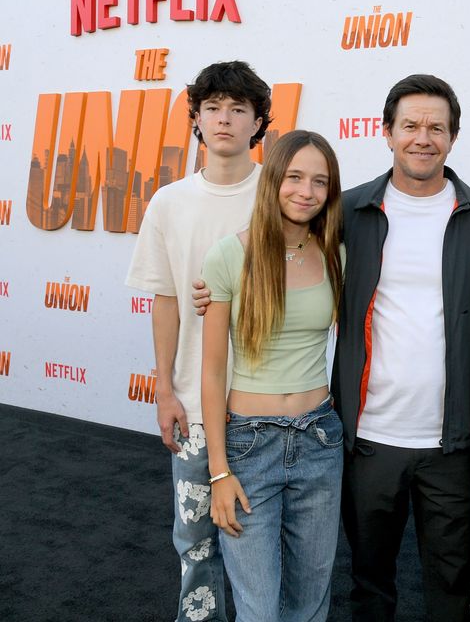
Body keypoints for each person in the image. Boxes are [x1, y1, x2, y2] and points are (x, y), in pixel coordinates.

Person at [331, 74, 470, 622]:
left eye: (436, 128)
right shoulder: (348, 212)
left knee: (452, 584)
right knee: (369, 583)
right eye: (410, 126)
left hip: (450, 442)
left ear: (452, 138)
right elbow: (282, 263)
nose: (422, 138)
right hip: (370, 437)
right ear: (386, 132)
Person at [125, 60, 271, 622]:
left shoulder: (280, 195)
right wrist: (164, 389)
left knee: (259, 549)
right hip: (191, 403)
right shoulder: (169, 201)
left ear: (259, 121)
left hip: (265, 406)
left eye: (238, 109)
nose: (225, 119)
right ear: (196, 119)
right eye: (213, 108)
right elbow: (165, 301)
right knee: (196, 546)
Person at [200, 130, 345, 622]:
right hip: (247, 446)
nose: (306, 191)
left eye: (320, 182)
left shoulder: (335, 253)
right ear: (273, 179)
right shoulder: (228, 256)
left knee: (310, 603)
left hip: (319, 440)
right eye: (295, 177)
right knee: (259, 610)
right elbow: (213, 369)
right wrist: (218, 471)